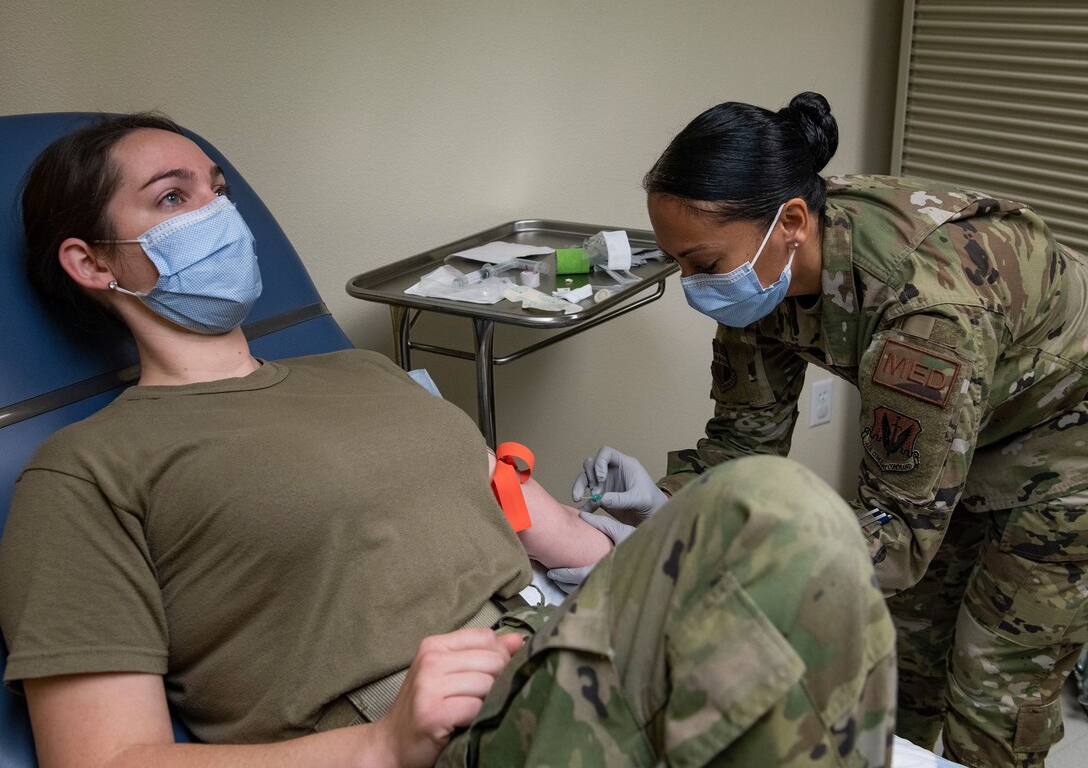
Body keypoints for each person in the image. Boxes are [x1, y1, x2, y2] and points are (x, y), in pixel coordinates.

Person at [0, 113, 895, 768]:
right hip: (461, 733)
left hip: (565, 644)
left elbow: (552, 530)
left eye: (217, 189)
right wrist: (378, 746)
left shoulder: (359, 373)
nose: (217, 214)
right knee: (777, 500)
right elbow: (104, 758)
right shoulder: (88, 470)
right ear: (91, 261)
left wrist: (654, 531)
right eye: (172, 197)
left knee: (782, 545)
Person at [574, 92, 1088, 768]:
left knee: (991, 702)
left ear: (790, 222)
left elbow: (897, 538)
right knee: (900, 668)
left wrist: (724, 557)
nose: (691, 283)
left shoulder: (927, 318)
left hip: (1061, 453)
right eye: (678, 263)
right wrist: (667, 503)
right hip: (966, 427)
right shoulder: (762, 264)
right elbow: (742, 442)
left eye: (701, 262)